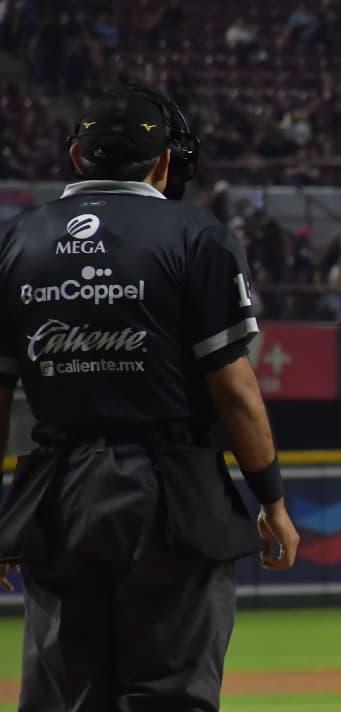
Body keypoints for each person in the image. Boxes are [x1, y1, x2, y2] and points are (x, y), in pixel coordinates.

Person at [0, 85, 300, 711]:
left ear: (76, 155)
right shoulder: (197, 234)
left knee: (65, 699)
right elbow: (236, 391)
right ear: (164, 161)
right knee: (172, 696)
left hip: (55, 499)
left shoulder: (14, 241)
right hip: (172, 497)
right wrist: (271, 499)